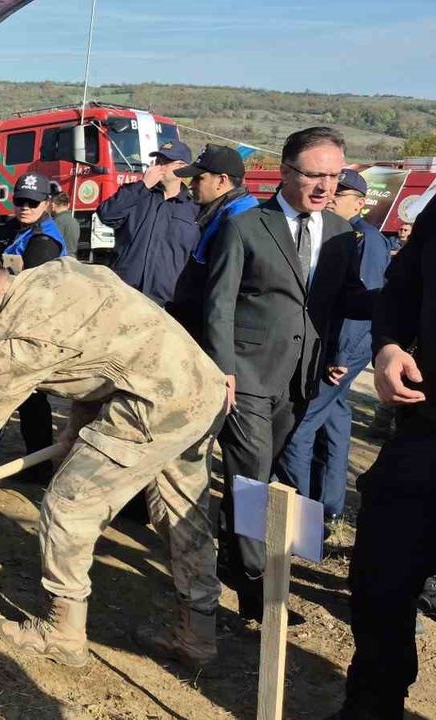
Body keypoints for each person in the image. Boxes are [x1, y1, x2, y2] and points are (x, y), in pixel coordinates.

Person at [0, 245, 227, 671]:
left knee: (67, 506)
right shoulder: (55, 273)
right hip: (200, 388)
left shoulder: (17, 341)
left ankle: (62, 634)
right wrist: (77, 429)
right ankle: (197, 637)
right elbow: (96, 353)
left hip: (152, 405)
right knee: (180, 513)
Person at [203, 127, 372, 623]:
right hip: (248, 375)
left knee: (259, 478)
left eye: (334, 177)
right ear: (285, 171)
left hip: (302, 380)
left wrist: (404, 300)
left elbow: (346, 300)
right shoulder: (248, 226)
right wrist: (224, 370)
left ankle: (232, 559)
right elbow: (219, 305)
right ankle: (260, 598)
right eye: (314, 175)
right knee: (253, 477)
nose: (324, 187)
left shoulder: (342, 235)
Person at [337, 201, 434, 719]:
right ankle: (371, 707)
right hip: (424, 431)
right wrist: (389, 346)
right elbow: (401, 289)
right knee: (379, 580)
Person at [277, 169, 389, 524]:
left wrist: (339, 355)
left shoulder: (364, 238)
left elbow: (364, 303)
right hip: (334, 344)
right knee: (335, 422)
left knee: (300, 425)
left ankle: (298, 518)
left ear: (358, 202)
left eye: (339, 194)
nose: (330, 197)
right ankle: (329, 508)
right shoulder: (335, 233)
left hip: (345, 347)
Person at [0, 172, 66, 482]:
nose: (25, 207)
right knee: (27, 397)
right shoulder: (16, 231)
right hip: (14, 322)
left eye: (32, 202)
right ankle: (34, 461)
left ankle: (39, 465)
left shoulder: (44, 240)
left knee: (32, 395)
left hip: (34, 326)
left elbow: (33, 295)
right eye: (20, 201)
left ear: (47, 203)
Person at [167, 144, 258, 340]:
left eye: (199, 178)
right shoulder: (220, 214)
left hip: (217, 339)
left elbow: (224, 296)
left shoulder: (237, 222)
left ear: (222, 181)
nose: (191, 185)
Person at [98, 139, 200, 307]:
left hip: (166, 303)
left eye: (165, 162)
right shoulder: (136, 194)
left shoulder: (193, 208)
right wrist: (143, 185)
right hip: (124, 294)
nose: (158, 166)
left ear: (182, 167)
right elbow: (107, 215)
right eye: (157, 161)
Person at [49, 189, 80, 256]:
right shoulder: (74, 221)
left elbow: (51, 245)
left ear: (53, 205)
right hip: (72, 259)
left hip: (60, 261)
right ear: (68, 205)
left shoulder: (56, 222)